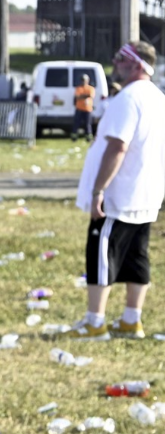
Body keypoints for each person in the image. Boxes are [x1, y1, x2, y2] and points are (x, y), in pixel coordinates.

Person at [69, 41, 165, 341]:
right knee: (137, 255)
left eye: (121, 59)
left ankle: (95, 321)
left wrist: (99, 190)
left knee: (101, 254)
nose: (115, 61)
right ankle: (130, 320)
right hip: (145, 194)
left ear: (138, 65)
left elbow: (117, 146)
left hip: (119, 193)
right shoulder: (158, 97)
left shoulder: (128, 98)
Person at [71, 73, 95, 141]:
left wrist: (82, 96)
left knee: (88, 125)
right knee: (76, 124)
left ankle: (88, 138)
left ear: (87, 80)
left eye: (84, 80)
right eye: (82, 80)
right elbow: (77, 96)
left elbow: (90, 95)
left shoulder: (91, 88)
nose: (83, 81)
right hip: (79, 108)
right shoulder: (78, 88)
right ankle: (74, 137)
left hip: (88, 109)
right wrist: (85, 96)